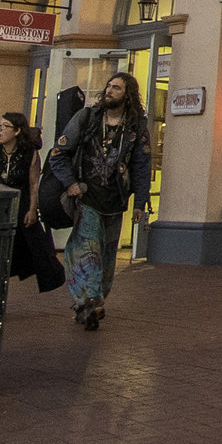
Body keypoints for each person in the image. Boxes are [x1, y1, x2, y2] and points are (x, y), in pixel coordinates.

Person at [51, 72, 151, 330]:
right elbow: (58, 154)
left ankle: (90, 303)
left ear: (127, 94)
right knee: (87, 251)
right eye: (108, 86)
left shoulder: (135, 127)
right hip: (87, 197)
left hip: (115, 201)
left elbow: (141, 166)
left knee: (106, 258)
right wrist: (71, 183)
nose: (109, 91)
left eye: (116, 88)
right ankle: (90, 299)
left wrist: (140, 202)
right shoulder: (87, 118)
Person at [0, 112, 64, 292]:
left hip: (19, 208)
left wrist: (32, 209)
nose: (0, 130)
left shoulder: (29, 155)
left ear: (17, 131)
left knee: (35, 249)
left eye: (5, 126)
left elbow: (33, 185)